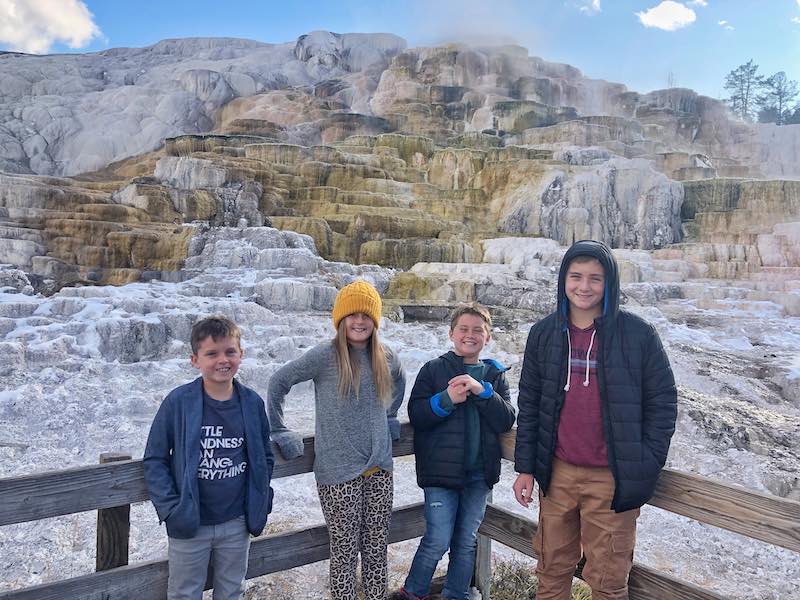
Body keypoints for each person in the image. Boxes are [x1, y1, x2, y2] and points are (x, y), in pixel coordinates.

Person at [513, 239, 678, 600]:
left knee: (608, 579)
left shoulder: (637, 335)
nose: (584, 287)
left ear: (610, 283)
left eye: (595, 278)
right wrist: (525, 467)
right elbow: (530, 403)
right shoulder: (543, 334)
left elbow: (663, 403)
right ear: (563, 280)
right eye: (576, 276)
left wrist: (645, 464)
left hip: (612, 478)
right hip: (556, 474)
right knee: (551, 569)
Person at [268, 279, 405, 600]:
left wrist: (389, 416)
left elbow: (399, 381)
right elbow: (278, 381)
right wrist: (278, 429)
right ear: (340, 319)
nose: (359, 321)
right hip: (337, 473)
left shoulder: (386, 356)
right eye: (352, 315)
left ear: (375, 320)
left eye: (366, 315)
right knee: (344, 553)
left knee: (376, 548)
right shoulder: (324, 356)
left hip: (380, 471)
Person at [143, 316, 275, 600]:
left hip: (237, 522)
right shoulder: (178, 402)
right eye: (211, 354)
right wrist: (170, 509)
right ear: (195, 360)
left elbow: (264, 457)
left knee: (231, 592)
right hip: (190, 522)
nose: (222, 360)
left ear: (241, 354)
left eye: (230, 352)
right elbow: (154, 458)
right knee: (185, 593)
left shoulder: (252, 403)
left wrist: (262, 501)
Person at [396, 303, 516, 600]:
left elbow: (506, 419)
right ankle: (413, 593)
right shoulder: (434, 370)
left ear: (487, 337)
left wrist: (483, 391)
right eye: (463, 328)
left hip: (479, 475)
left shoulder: (494, 375)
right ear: (451, 333)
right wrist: (446, 399)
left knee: (465, 541)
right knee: (437, 539)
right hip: (440, 473)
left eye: (478, 330)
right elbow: (418, 415)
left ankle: (456, 594)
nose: (470, 335)